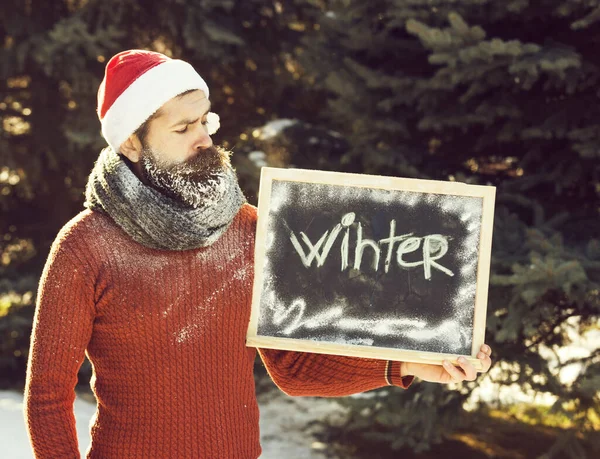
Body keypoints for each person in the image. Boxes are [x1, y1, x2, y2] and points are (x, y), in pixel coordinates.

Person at [24, 49, 493, 458]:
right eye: (183, 126)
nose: (204, 137)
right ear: (130, 141)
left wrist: (407, 363)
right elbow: (47, 397)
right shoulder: (85, 246)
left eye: (205, 120)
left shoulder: (249, 228)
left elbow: (293, 368)